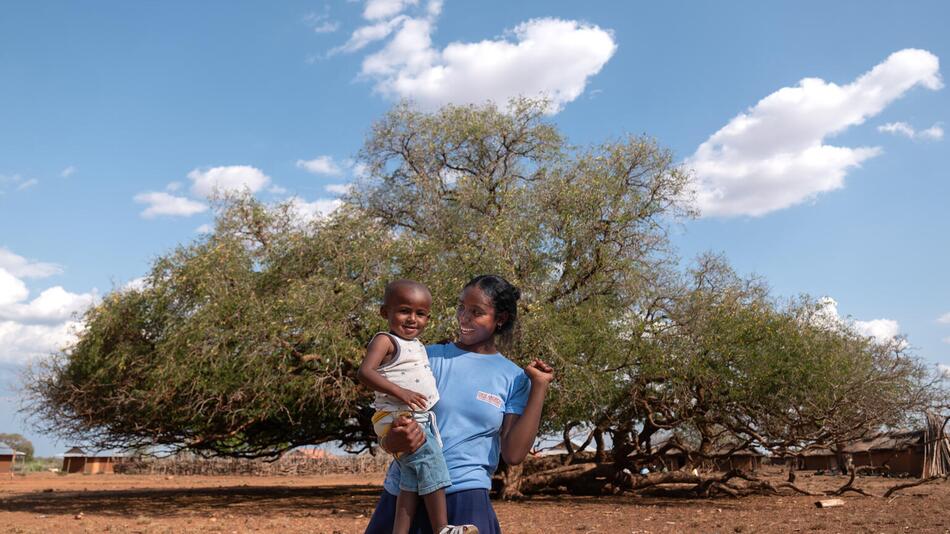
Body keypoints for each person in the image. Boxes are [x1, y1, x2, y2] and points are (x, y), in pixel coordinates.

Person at [365, 274, 555, 534]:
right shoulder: (426, 358)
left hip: (464, 499)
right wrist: (392, 442)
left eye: (476, 312)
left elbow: (513, 454)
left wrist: (540, 387)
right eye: (461, 308)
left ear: (500, 319)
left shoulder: (514, 378)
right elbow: (388, 415)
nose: (464, 318)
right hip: (405, 498)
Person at [358, 279, 477, 534]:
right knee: (434, 465)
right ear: (384, 312)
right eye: (404, 311)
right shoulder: (385, 341)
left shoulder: (418, 345)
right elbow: (365, 372)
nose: (412, 319)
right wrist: (401, 392)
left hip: (418, 417)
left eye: (420, 314)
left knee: (409, 480)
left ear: (428, 318)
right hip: (399, 417)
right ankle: (443, 528)